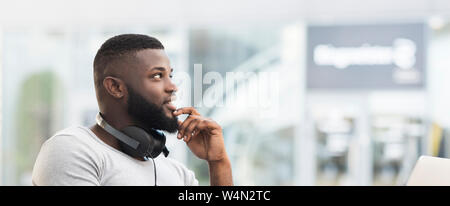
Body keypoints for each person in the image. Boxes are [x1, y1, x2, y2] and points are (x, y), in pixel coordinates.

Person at [32, 34, 233, 186]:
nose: (172, 86)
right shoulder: (73, 149)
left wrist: (218, 162)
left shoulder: (177, 173)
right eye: (156, 76)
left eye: (170, 75)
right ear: (116, 88)